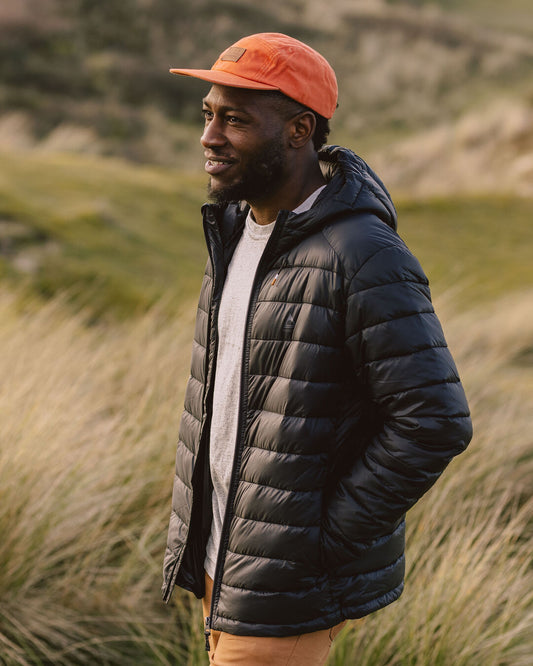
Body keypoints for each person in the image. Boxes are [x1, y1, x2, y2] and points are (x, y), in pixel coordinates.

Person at [162, 32, 472, 666]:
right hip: (227, 567)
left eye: (235, 120)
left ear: (299, 130)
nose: (210, 137)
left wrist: (323, 541)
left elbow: (435, 420)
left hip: (288, 585)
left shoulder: (363, 253)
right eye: (208, 115)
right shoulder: (235, 233)